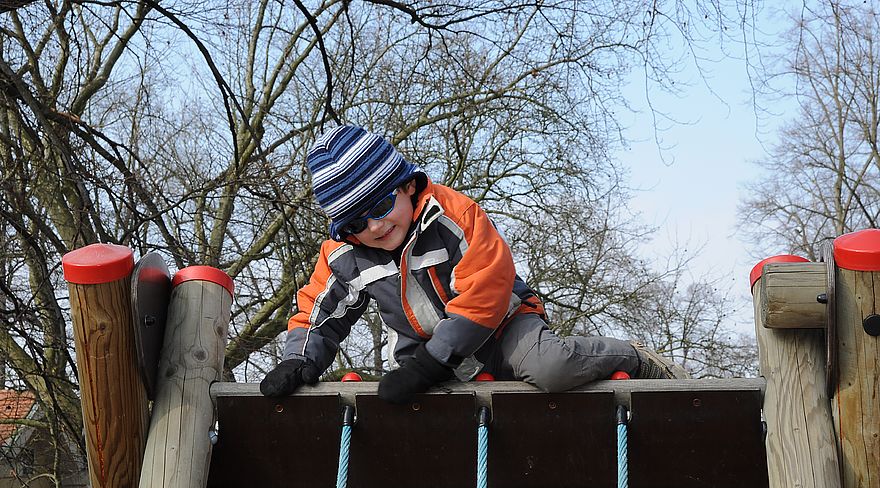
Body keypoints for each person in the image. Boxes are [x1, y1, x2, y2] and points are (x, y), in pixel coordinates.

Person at [260, 125, 687, 402]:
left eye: (382, 205)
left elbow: (486, 287)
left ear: (407, 186)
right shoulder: (346, 254)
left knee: (548, 368)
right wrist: (300, 361)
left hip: (503, 326)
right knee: (408, 408)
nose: (374, 226)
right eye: (356, 221)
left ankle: (634, 356)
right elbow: (319, 310)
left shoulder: (453, 217)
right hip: (426, 350)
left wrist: (432, 363)